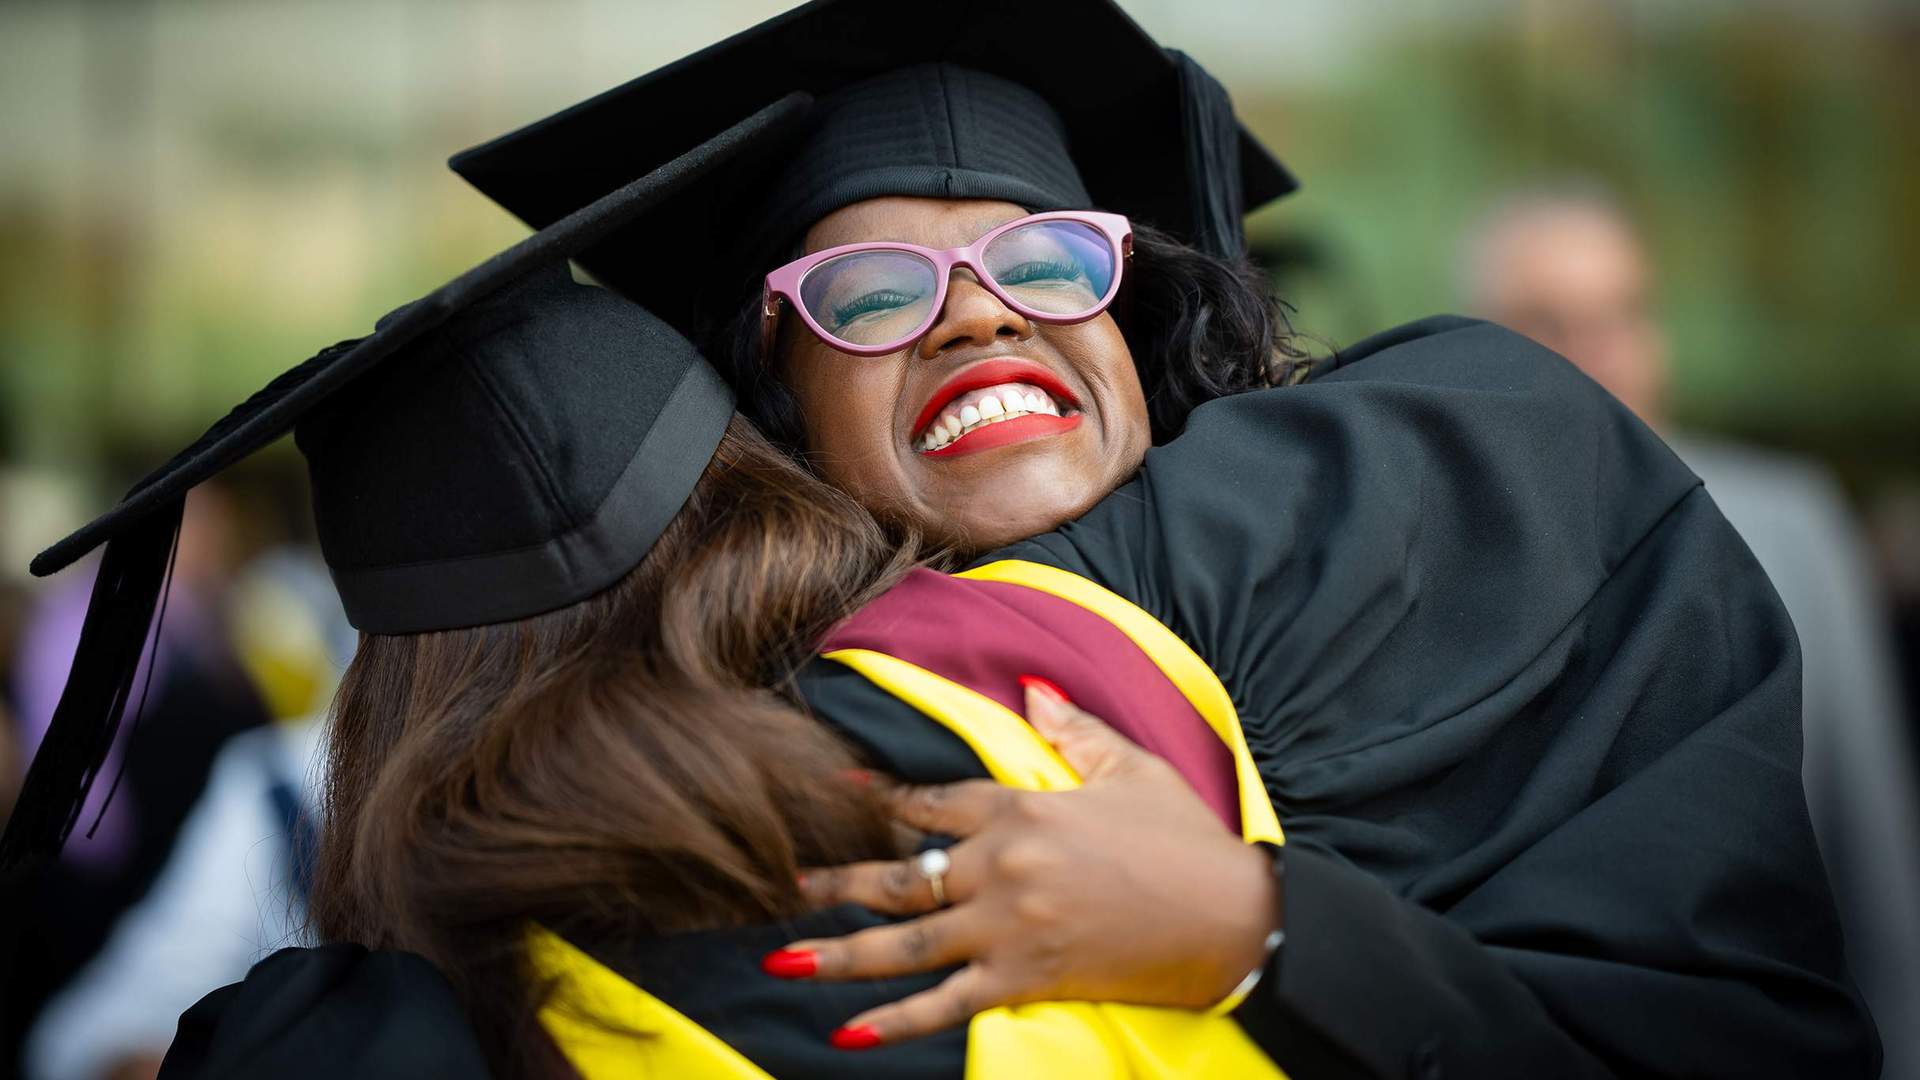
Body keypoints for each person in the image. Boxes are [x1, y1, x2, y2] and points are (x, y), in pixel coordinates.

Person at [455, 1, 1872, 1072]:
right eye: (873, 292)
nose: (980, 312)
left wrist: (1258, 928)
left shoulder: (1425, 604)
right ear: (779, 402)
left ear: (1138, 331)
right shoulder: (740, 765)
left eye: (1049, 261)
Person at [1462, 182, 1920, 1079]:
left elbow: (1870, 842)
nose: (1598, 352)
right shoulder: (1447, 552)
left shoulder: (1793, 520)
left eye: (1624, 312)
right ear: (1480, 340)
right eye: (1548, 319)